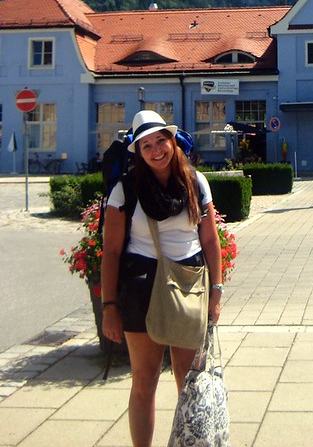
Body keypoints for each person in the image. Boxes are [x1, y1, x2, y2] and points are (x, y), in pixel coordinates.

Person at [101, 111, 223, 447]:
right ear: (137, 152)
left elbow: (211, 240)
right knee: (144, 381)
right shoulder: (124, 191)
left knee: (188, 381)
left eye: (160, 141)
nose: (156, 150)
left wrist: (216, 291)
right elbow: (110, 252)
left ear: (172, 141)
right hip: (140, 288)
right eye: (146, 145)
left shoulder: (196, 182)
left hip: (187, 285)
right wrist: (109, 306)